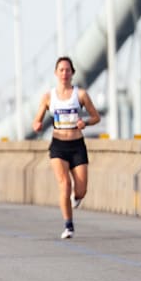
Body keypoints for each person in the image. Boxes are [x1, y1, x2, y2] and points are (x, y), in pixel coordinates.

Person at [31, 56, 101, 240]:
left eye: (67, 70)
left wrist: (85, 122)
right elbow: (37, 120)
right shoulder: (48, 97)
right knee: (64, 184)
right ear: (56, 73)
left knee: (81, 190)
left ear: (72, 73)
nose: (64, 73)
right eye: (61, 70)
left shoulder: (81, 95)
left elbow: (96, 117)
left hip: (77, 145)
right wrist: (37, 125)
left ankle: (75, 199)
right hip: (58, 145)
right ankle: (68, 225)